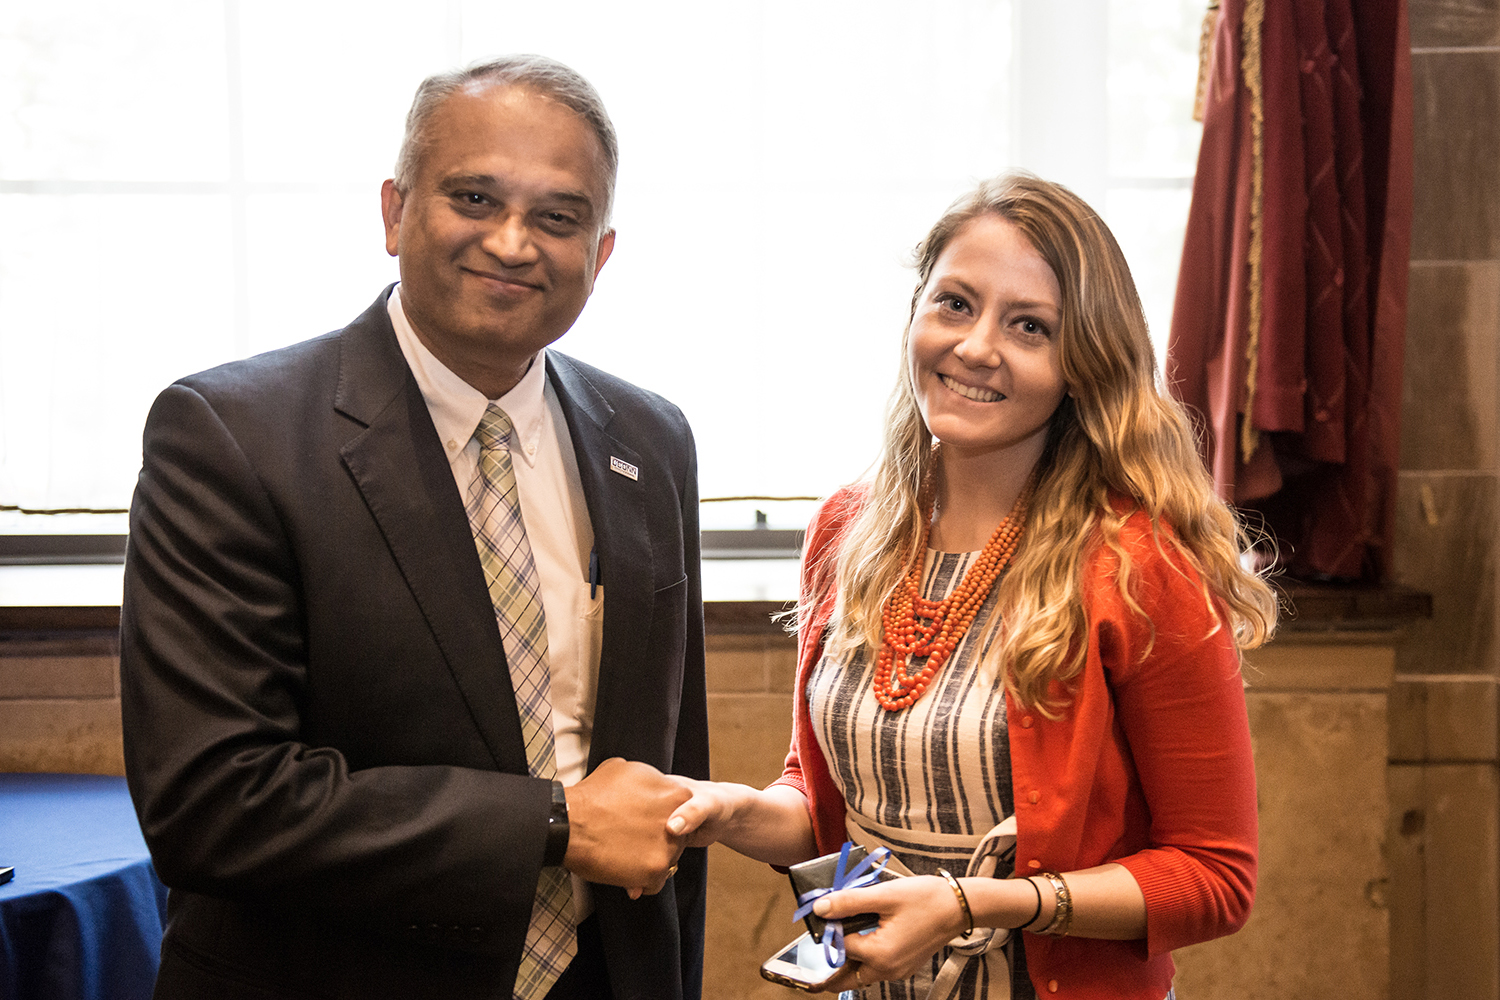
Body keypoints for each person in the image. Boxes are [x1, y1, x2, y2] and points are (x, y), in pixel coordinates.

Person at [119, 55, 708, 1000]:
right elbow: (213, 801)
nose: (514, 243)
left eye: (559, 217)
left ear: (600, 256)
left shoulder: (649, 439)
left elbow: (667, 772)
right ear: (394, 212)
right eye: (474, 197)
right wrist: (556, 826)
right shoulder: (231, 436)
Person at [667, 174, 1277, 999]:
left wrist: (969, 905)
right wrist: (730, 811)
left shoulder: (1140, 565)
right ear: (916, 310)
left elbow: (1216, 877)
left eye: (1029, 326)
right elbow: (825, 802)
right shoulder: (847, 530)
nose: (977, 346)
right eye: (955, 303)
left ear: (1084, 363)